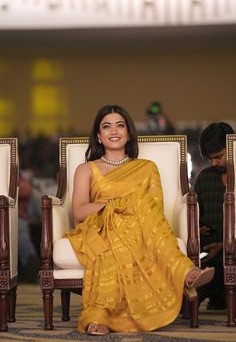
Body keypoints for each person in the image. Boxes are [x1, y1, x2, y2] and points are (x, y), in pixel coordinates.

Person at [66, 105, 214, 335]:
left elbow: (154, 209)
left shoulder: (146, 168)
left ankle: (102, 318)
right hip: (100, 226)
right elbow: (79, 211)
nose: (113, 131)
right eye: (106, 126)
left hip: (140, 226)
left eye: (120, 125)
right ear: (98, 135)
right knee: (130, 210)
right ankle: (183, 271)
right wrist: (117, 205)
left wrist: (128, 207)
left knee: (139, 206)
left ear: (128, 132)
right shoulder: (86, 169)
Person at [194, 122, 234, 310]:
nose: (214, 163)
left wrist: (225, 246)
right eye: (210, 159)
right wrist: (195, 229)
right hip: (209, 247)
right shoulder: (204, 178)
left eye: (218, 157)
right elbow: (196, 216)